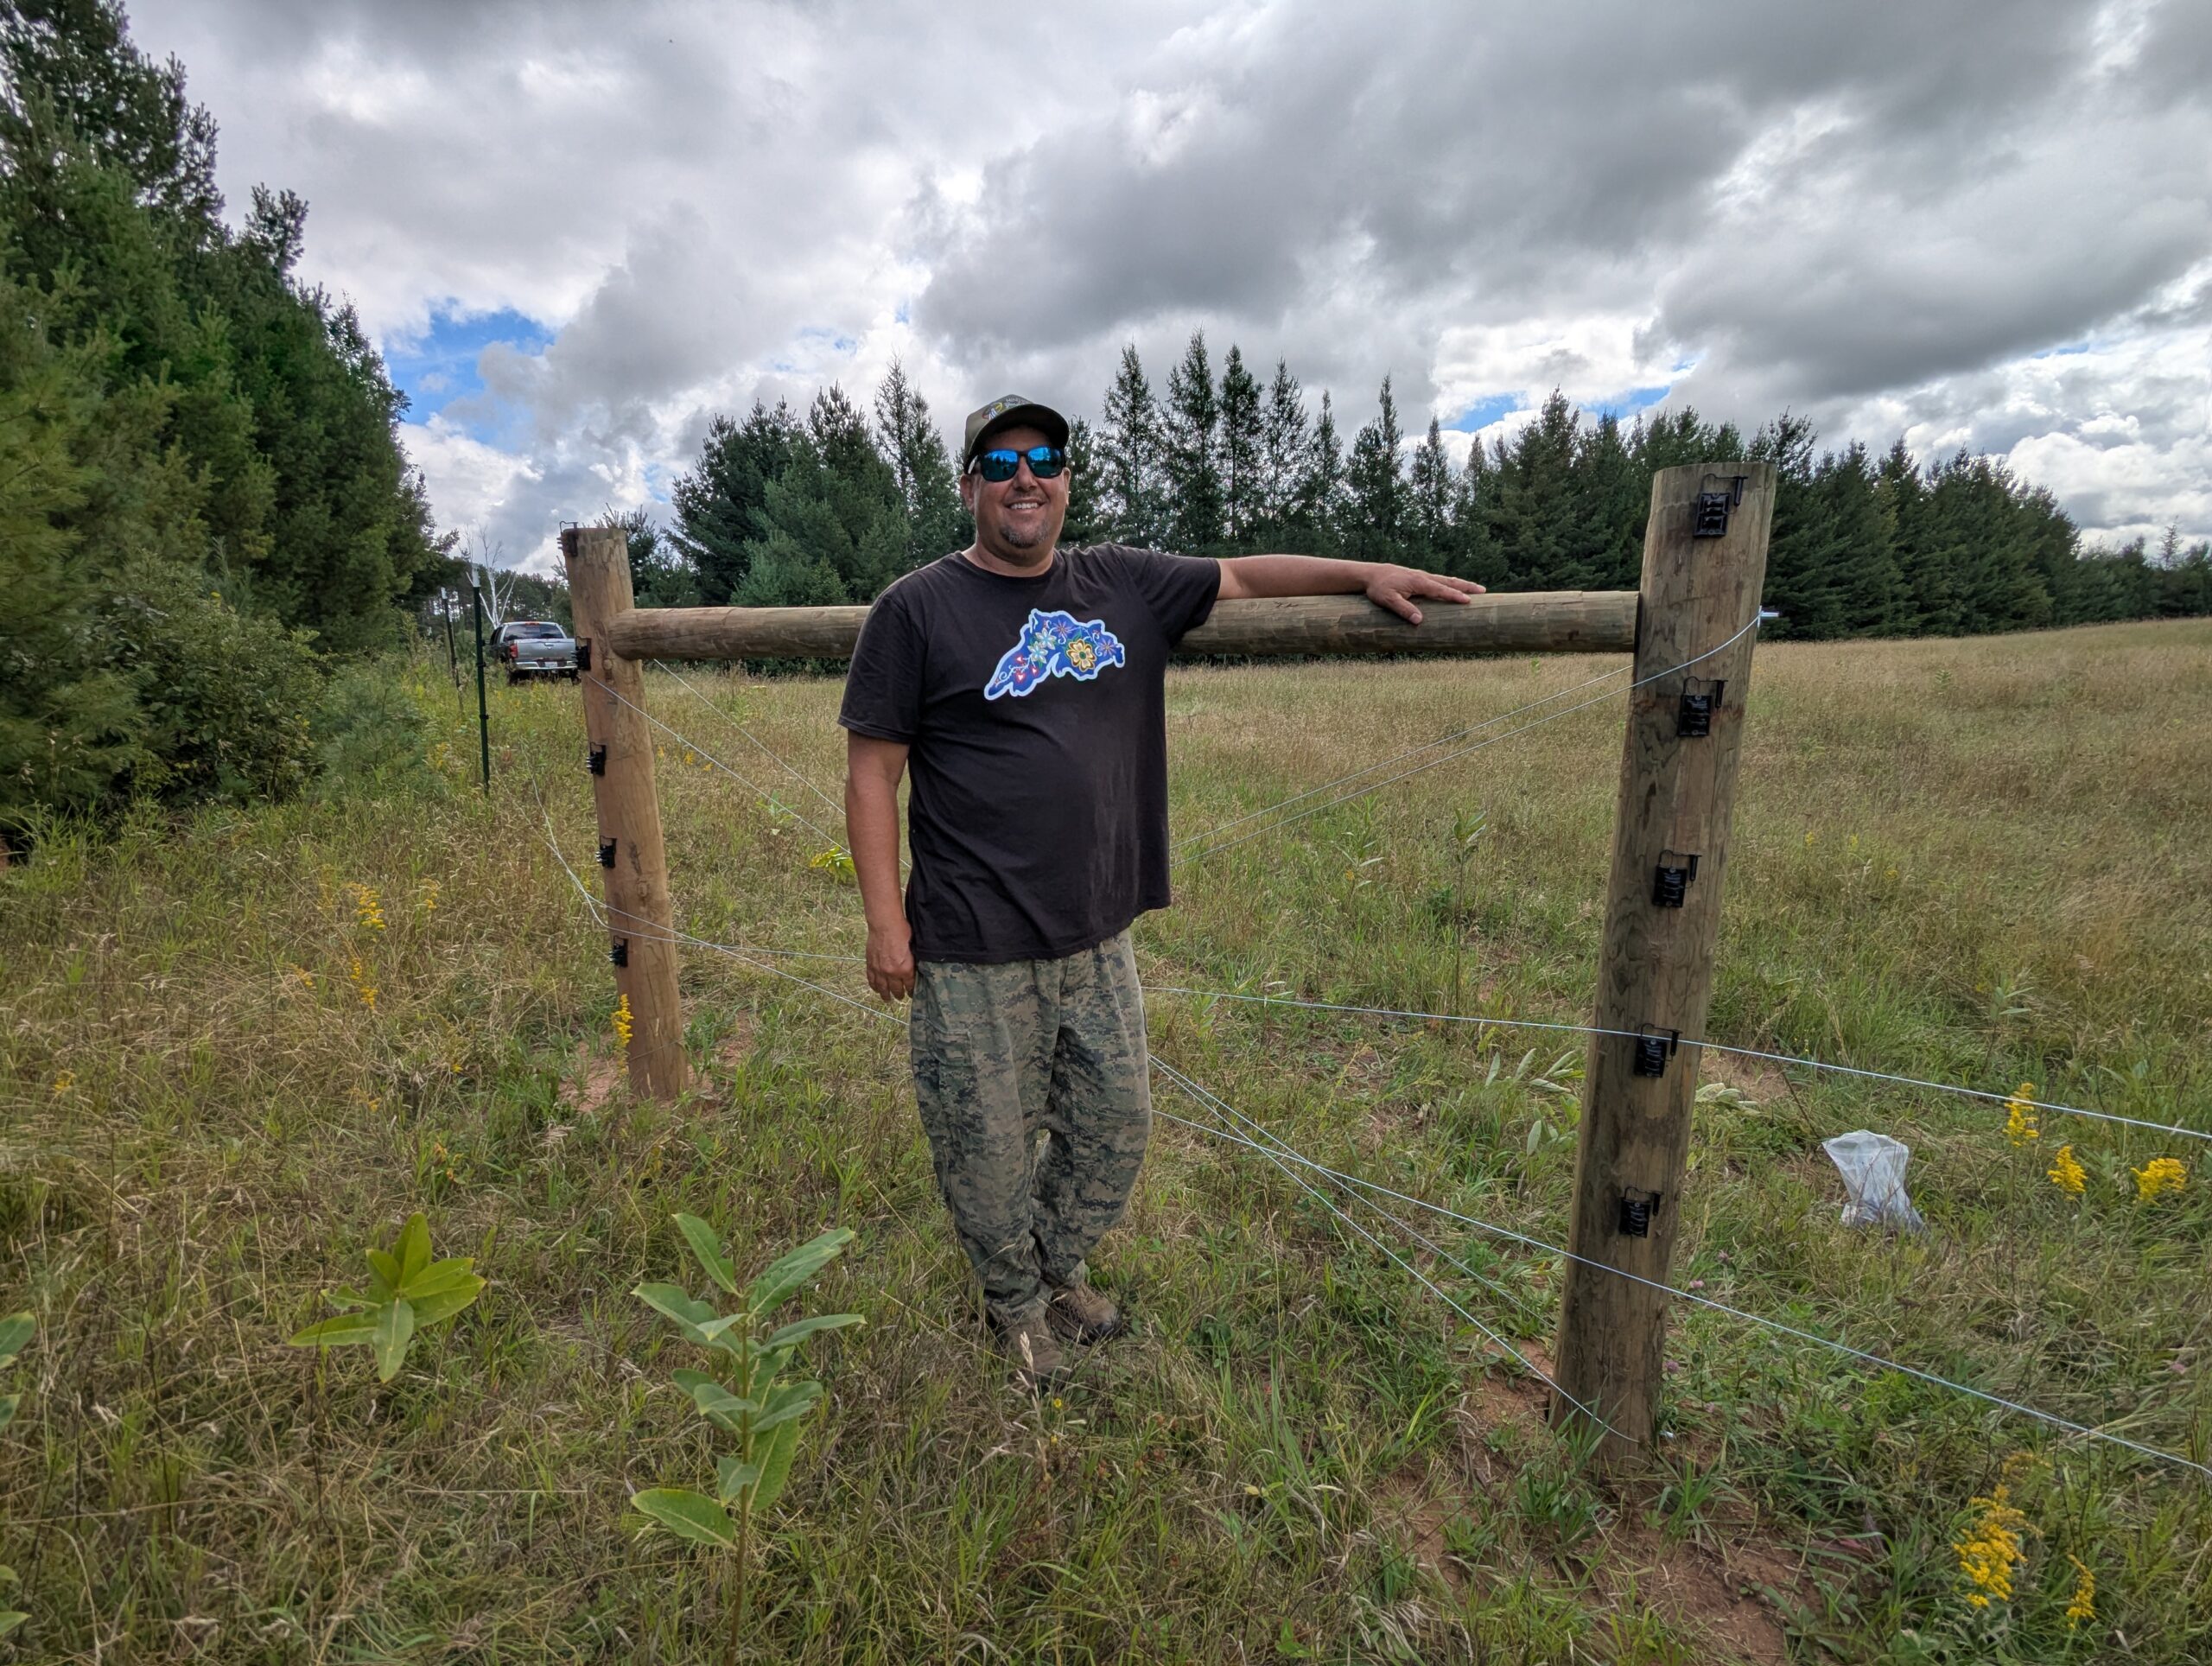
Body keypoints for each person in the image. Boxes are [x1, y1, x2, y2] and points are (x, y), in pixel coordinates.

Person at [840, 394, 1483, 1380]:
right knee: (986, 1144)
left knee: (1116, 1120)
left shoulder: (1120, 582)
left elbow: (1241, 573)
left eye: (1044, 458)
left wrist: (1365, 572)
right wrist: (886, 922)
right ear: (969, 484)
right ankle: (1013, 1304)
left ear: (1065, 480)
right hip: (970, 938)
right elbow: (872, 771)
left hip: (1098, 930)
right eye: (1001, 462)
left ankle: (1055, 1265)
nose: (1026, 477)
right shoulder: (915, 608)